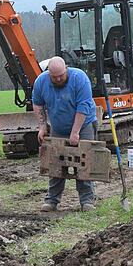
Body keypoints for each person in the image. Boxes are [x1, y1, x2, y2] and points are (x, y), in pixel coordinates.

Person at [32, 56, 98, 212]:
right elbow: (37, 103)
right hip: (59, 127)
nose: (58, 79)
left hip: (84, 125)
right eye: (54, 77)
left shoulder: (79, 78)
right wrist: (42, 126)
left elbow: (84, 106)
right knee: (55, 162)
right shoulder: (41, 82)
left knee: (83, 161)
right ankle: (52, 200)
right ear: (49, 74)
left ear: (66, 69)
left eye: (61, 75)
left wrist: (75, 132)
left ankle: (87, 200)